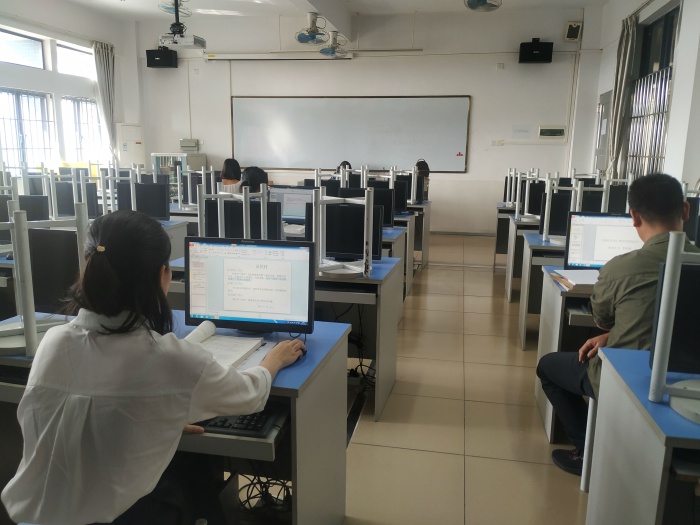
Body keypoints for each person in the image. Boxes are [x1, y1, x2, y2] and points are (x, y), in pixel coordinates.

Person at [1, 210, 305, 525]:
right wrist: (274, 360)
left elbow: (90, 416)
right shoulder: (168, 358)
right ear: (162, 273)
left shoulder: (54, 342)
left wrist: (154, 417)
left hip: (33, 517)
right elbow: (249, 394)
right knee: (193, 472)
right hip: (116, 518)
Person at [536, 173, 698, 476]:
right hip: (690, 383)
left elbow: (601, 319)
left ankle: (586, 452)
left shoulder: (620, 268)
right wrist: (612, 335)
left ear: (634, 217)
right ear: (686, 210)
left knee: (548, 367)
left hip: (628, 379)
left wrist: (611, 331)